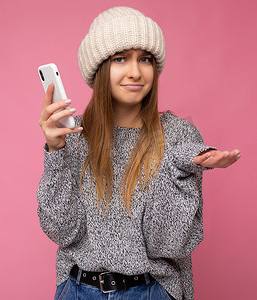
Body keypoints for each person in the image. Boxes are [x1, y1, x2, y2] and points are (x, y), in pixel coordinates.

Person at [37, 6, 241, 300]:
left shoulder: (178, 136)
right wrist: (56, 152)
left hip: (150, 291)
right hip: (78, 290)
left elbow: (168, 245)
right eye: (120, 58)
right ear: (99, 68)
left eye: (145, 59)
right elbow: (62, 231)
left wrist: (177, 168)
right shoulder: (72, 134)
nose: (135, 71)